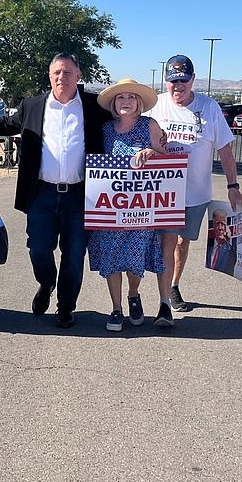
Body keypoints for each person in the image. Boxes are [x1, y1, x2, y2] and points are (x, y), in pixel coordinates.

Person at [0, 53, 110, 328]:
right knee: (38, 249)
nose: (61, 77)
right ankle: (46, 282)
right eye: (56, 73)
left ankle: (66, 307)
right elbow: (4, 125)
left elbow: (125, 117)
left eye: (67, 72)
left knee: (74, 254)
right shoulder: (33, 105)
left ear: (78, 75)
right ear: (49, 76)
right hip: (42, 194)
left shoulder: (93, 107)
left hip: (80, 195)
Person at [148, 55, 242, 326]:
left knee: (183, 242)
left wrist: (233, 186)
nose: (177, 86)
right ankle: (164, 302)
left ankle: (174, 284)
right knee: (167, 241)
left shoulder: (209, 107)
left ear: (192, 80)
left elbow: (224, 149)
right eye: (172, 81)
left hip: (196, 194)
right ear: (165, 81)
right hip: (163, 192)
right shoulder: (155, 104)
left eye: (183, 80)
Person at [86, 79, 168, 332]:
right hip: (111, 209)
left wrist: (152, 154)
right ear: (114, 103)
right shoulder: (105, 129)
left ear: (139, 103)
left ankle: (134, 295)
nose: (126, 101)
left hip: (140, 210)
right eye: (121, 97)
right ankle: (116, 308)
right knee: (111, 258)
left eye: (131, 97)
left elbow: (168, 160)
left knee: (134, 258)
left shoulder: (149, 125)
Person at [206, 208, 238, 276]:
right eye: (217, 223)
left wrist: (228, 240)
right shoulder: (209, 245)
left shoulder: (230, 249)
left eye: (223, 224)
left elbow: (234, 260)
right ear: (213, 225)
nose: (220, 228)